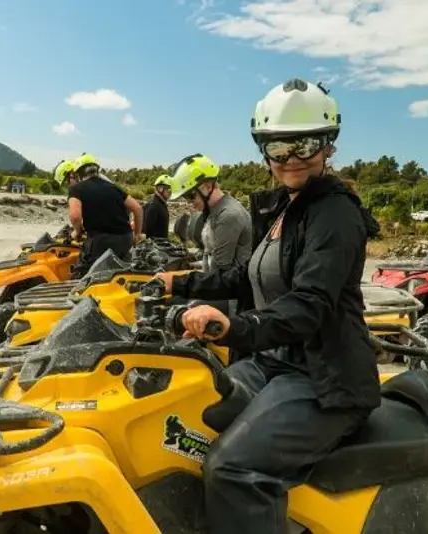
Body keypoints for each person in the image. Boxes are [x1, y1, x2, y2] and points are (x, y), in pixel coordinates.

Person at [155, 78, 381, 534]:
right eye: (279, 149)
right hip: (271, 365)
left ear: (328, 146)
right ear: (265, 151)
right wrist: (180, 284)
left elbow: (309, 303)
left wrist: (234, 328)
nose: (292, 159)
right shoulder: (284, 208)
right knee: (182, 420)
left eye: (305, 145)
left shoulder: (335, 214)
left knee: (231, 468)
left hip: (322, 379)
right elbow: (246, 275)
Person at [169, 153, 252, 273]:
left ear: (208, 187)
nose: (189, 202)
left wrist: (182, 282)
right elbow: (210, 257)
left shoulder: (228, 216)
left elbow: (220, 272)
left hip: (231, 289)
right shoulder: (213, 212)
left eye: (190, 196)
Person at [68, 152, 143, 278]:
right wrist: (137, 235)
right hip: (125, 239)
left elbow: (75, 216)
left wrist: (77, 232)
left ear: (79, 174)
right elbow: (138, 209)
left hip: (101, 241)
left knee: (83, 276)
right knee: (119, 274)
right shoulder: (113, 187)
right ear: (97, 170)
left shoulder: (77, 189)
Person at [142, 174, 171, 239]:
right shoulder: (153, 206)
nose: (170, 192)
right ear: (160, 189)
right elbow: (148, 232)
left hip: (161, 245)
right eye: (168, 189)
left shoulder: (161, 204)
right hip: (155, 246)